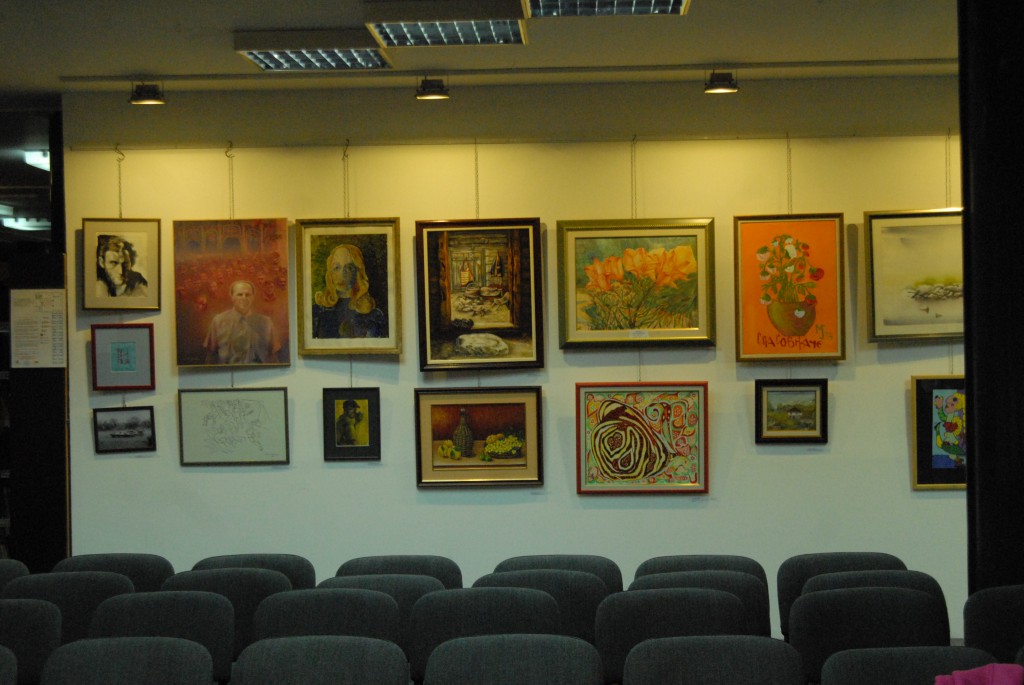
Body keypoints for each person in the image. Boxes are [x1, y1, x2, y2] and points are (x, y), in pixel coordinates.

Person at [312, 244, 387, 338]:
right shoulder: (317, 312)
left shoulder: (374, 315)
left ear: (357, 272)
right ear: (330, 274)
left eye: (349, 268)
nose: (342, 274)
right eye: (336, 268)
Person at [203, 280, 282, 364]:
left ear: (253, 297)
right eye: (239, 294)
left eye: (247, 295)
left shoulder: (266, 323)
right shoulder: (218, 321)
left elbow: (273, 357)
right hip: (227, 371)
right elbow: (211, 357)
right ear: (232, 297)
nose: (244, 298)